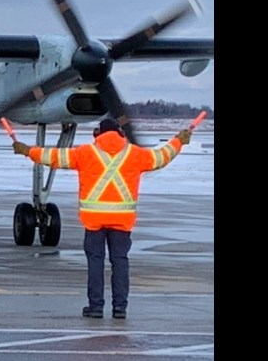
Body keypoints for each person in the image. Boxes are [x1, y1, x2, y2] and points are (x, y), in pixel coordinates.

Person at [12, 118, 192, 320]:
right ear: (120, 134)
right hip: (122, 221)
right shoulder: (135, 154)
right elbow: (161, 157)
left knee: (95, 263)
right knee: (120, 262)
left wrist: (28, 151)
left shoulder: (85, 153)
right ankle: (120, 308)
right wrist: (178, 141)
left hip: (94, 221)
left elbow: (53, 156)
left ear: (98, 134)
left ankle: (96, 307)